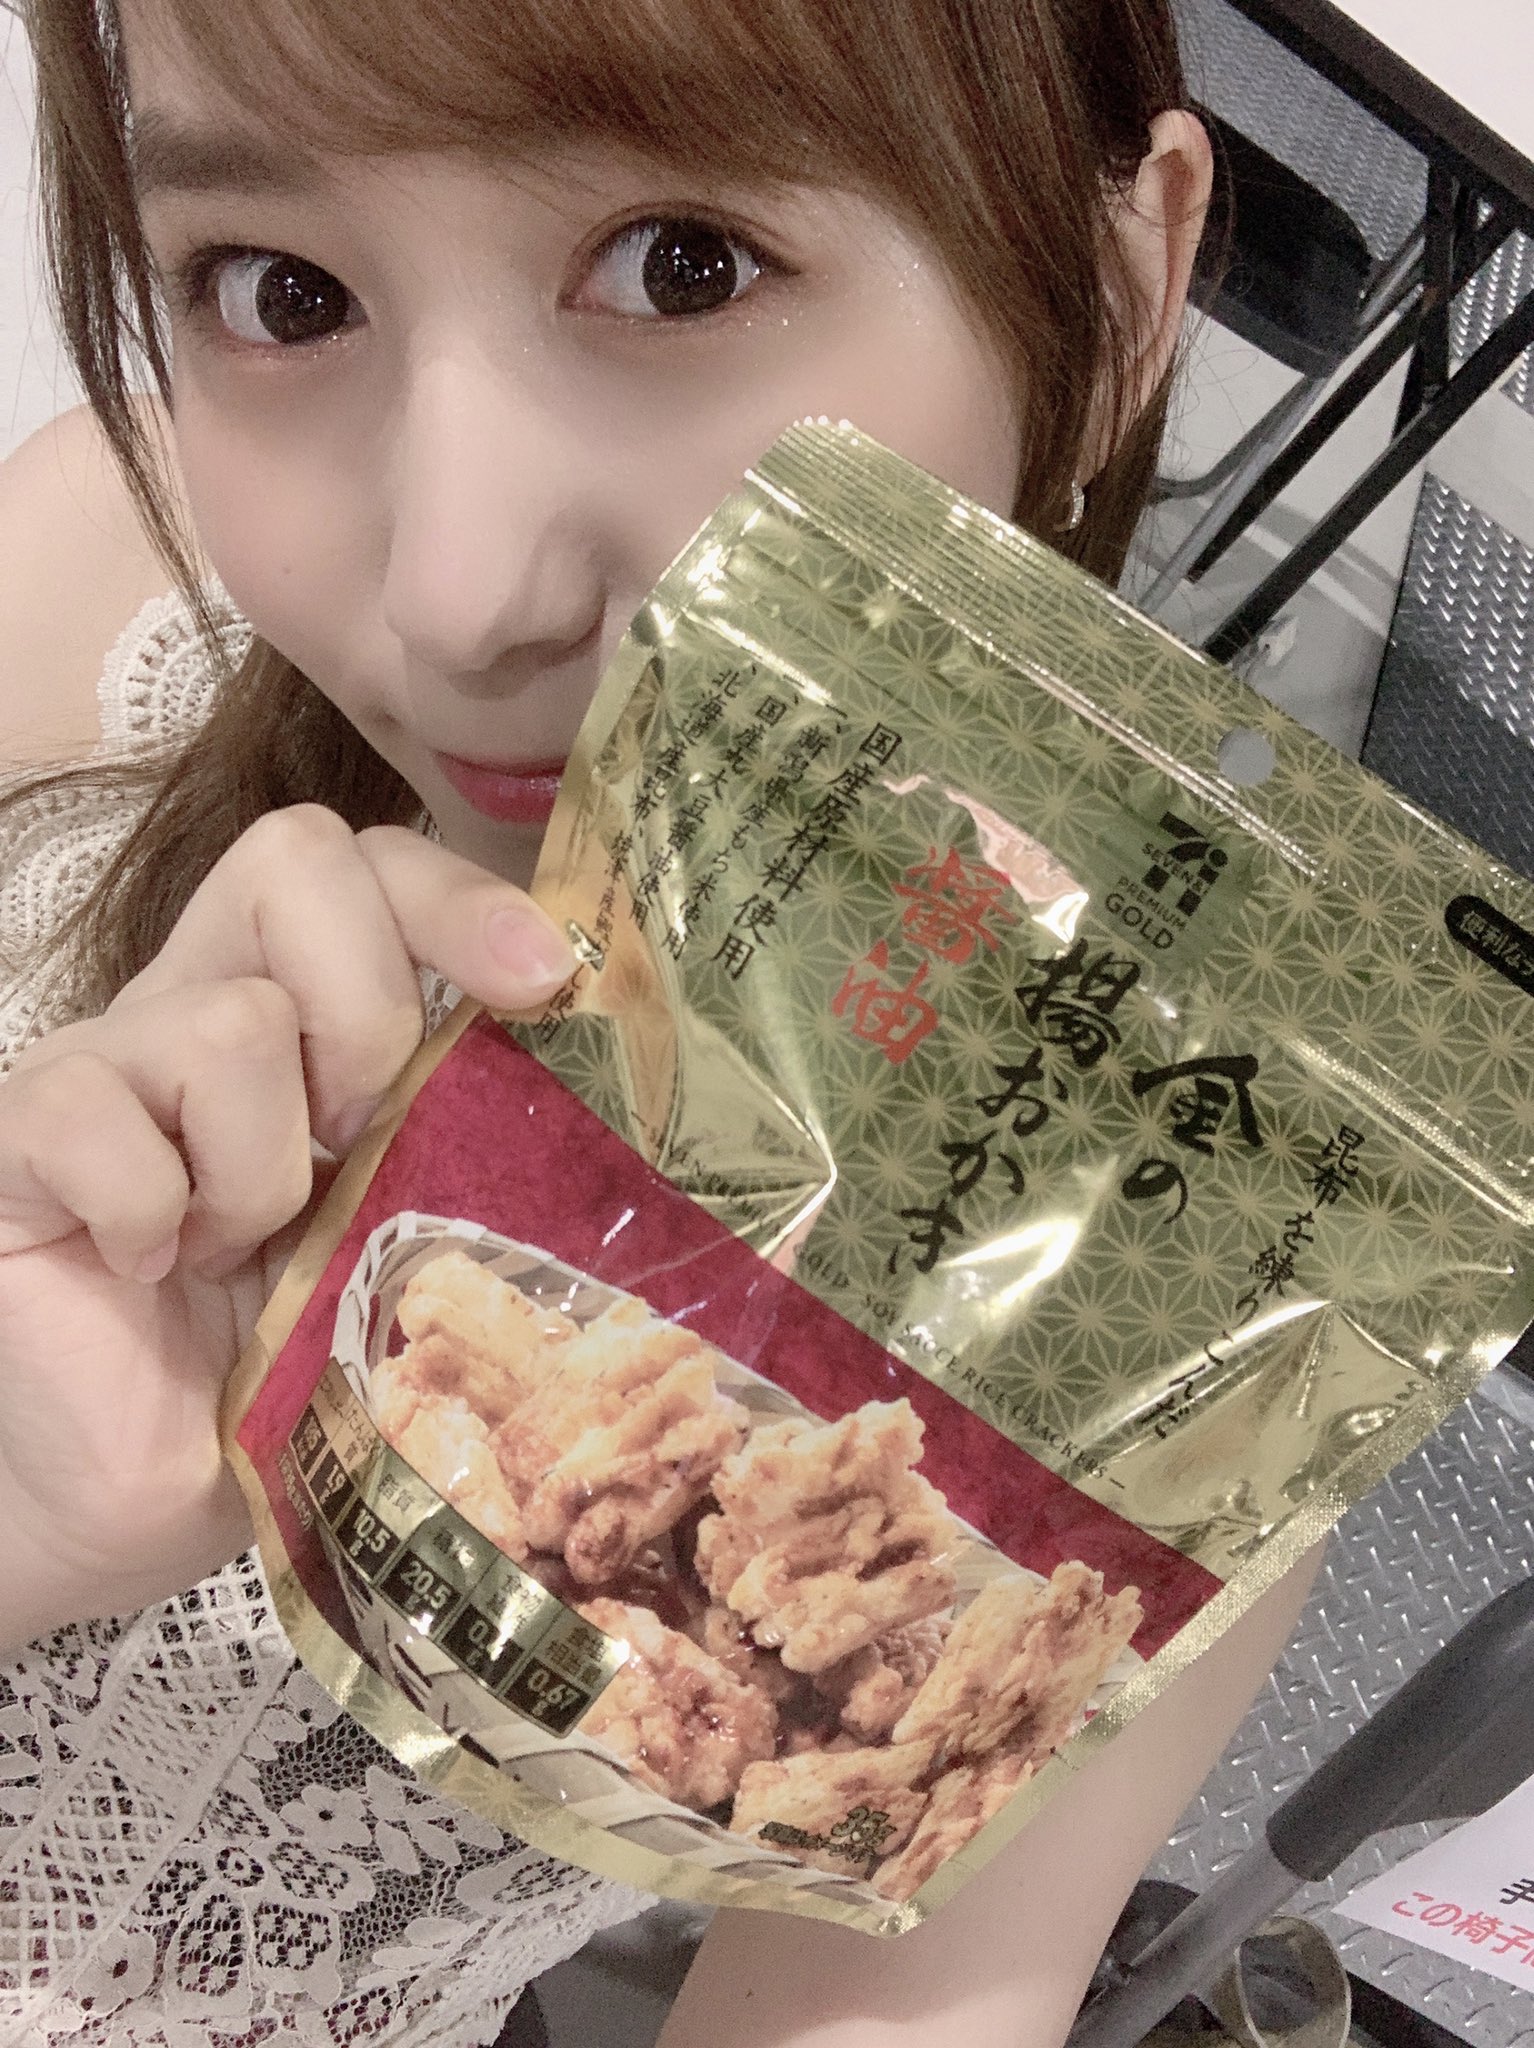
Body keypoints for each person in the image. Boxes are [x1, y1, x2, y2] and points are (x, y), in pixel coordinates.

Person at [0, 0, 1321, 2040]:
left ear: (1123, 281)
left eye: (682, 266)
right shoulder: (100, 582)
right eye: (283, 292)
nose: (456, 597)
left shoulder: (1182, 1340)